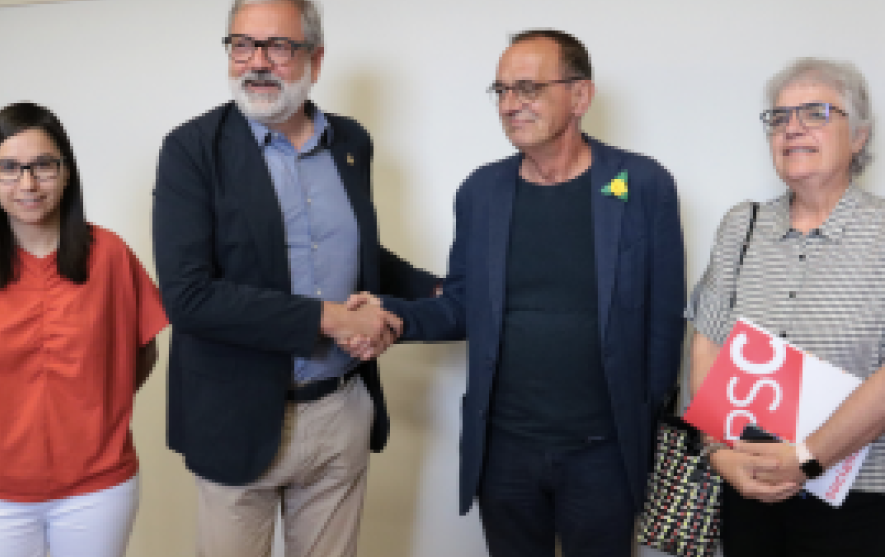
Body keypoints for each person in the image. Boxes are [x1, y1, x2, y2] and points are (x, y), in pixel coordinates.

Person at [353, 29, 685, 557]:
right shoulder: (481, 192)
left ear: (580, 95)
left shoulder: (642, 184)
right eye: (502, 90)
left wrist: (648, 427)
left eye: (527, 89)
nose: (510, 105)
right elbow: (462, 304)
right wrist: (393, 316)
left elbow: (665, 321)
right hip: (505, 452)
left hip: (604, 454)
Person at [150, 1, 438, 556]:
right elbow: (189, 297)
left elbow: (353, 248)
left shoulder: (351, 142)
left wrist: (437, 290)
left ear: (315, 59)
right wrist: (331, 319)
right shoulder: (191, 149)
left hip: (339, 410)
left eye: (277, 47)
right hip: (235, 418)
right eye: (242, 45)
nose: (257, 62)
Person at [0, 102, 168, 557]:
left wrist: (96, 411)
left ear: (66, 173)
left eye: (43, 165)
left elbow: (143, 351)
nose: (27, 184)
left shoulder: (110, 255)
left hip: (97, 488)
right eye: (9, 168)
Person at [687, 58, 885, 556]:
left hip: (862, 500)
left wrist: (807, 459)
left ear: (859, 136)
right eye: (779, 117)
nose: (792, 128)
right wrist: (719, 453)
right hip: (747, 483)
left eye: (816, 113)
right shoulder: (742, 226)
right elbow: (706, 344)